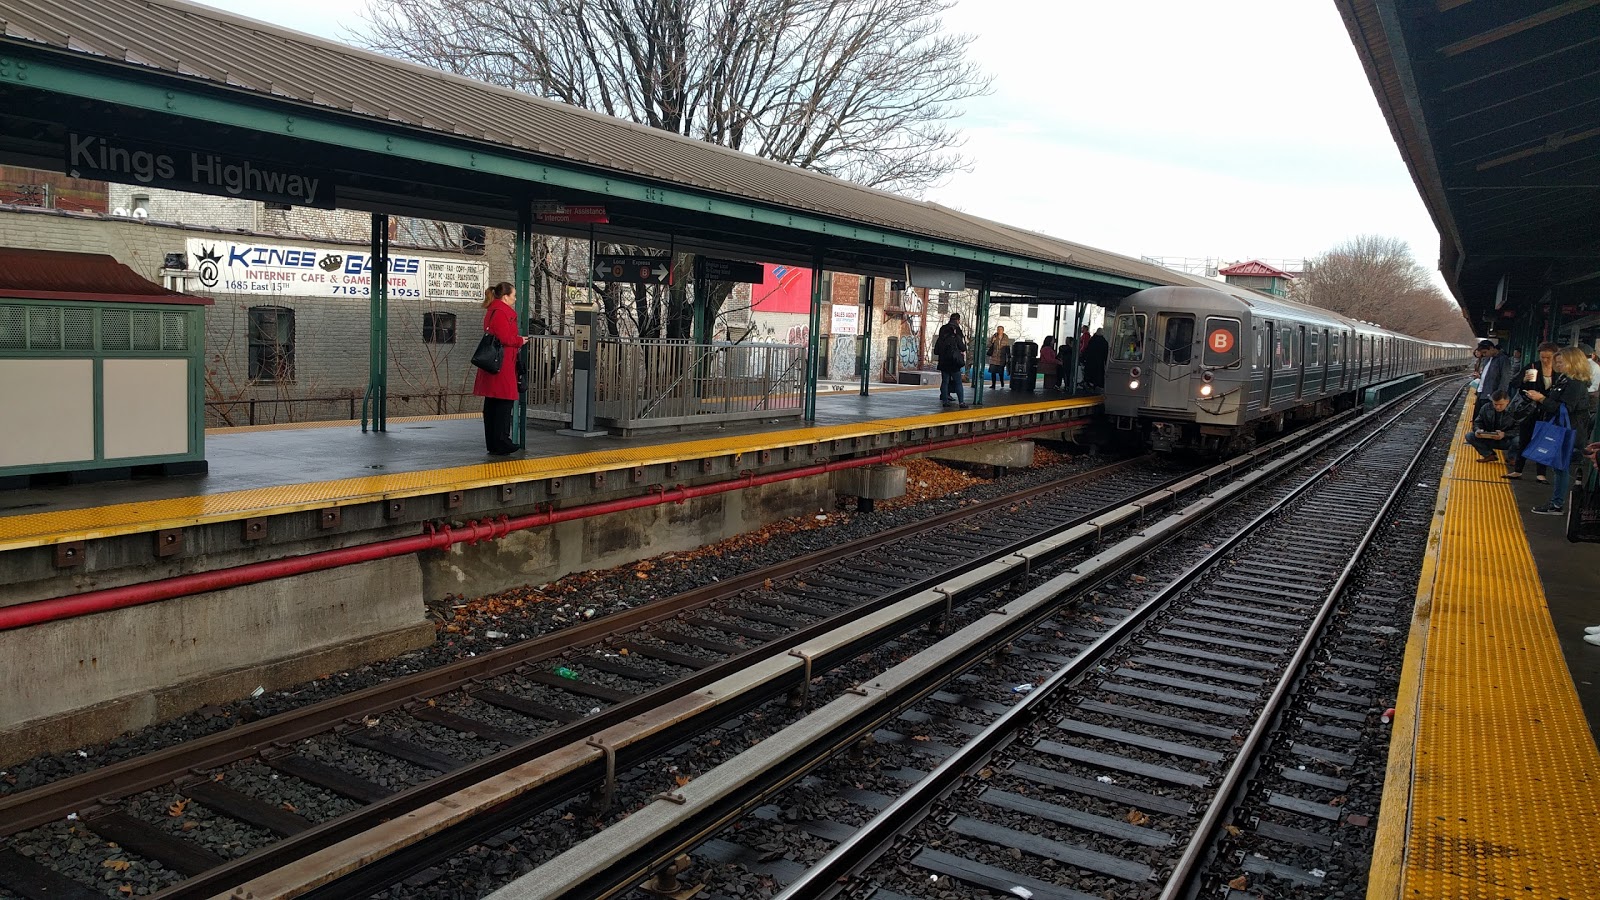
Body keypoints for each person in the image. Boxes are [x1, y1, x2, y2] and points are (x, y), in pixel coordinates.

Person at [1523, 346, 1593, 515]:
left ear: (1573, 362)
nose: (1558, 365)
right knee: (1558, 467)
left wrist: (1542, 399)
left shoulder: (1575, 384)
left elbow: (1566, 408)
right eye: (1558, 362)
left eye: (1562, 362)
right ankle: (1556, 502)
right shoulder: (1565, 379)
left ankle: (1557, 504)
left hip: (1568, 431)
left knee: (1561, 468)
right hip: (1563, 429)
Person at [474, 282, 528, 455]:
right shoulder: (503, 313)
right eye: (514, 295)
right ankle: (502, 442)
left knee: (492, 404)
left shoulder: (492, 311)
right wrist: (520, 341)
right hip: (502, 365)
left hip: (492, 364)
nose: (515, 298)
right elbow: (506, 338)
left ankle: (493, 443)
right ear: (505, 296)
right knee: (504, 404)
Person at [1508, 342, 1559, 482]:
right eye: (1542, 357)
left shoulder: (1559, 371)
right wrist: (1524, 380)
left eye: (1548, 357)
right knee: (1524, 440)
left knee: (1543, 442)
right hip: (1530, 410)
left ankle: (1541, 474)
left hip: (1548, 411)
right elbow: (1514, 383)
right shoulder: (1532, 367)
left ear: (1555, 356)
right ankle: (1518, 470)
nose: (1545, 360)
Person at [1465, 390, 1522, 471]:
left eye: (1501, 404)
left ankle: (1512, 458)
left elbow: (1519, 429)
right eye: (1495, 404)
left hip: (1507, 440)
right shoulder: (1486, 408)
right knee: (1470, 436)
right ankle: (1489, 454)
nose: (1498, 407)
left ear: (1507, 401)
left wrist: (1504, 434)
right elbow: (1478, 422)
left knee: (1518, 440)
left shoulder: (1516, 410)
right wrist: (1478, 430)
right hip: (1490, 437)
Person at [933, 312, 968, 408]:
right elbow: (962, 346)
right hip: (954, 361)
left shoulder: (942, 329)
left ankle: (945, 401)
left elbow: (939, 346)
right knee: (958, 382)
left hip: (943, 361)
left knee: (945, 381)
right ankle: (961, 402)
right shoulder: (957, 330)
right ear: (958, 320)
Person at [1473, 339, 1512, 418]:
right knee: (1478, 417)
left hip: (1492, 395)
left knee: (1488, 418)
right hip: (1481, 393)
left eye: (1485, 352)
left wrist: (1500, 396)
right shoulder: (1487, 359)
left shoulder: (1503, 359)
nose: (1484, 355)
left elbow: (1505, 379)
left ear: (1491, 348)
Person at [987, 325, 1012, 390]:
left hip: (1001, 357)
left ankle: (1002, 382)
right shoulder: (994, 336)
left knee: (1001, 371)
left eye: (1000, 329)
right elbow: (988, 345)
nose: (999, 331)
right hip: (994, 356)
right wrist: (992, 341)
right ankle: (993, 384)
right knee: (993, 371)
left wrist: (1008, 355)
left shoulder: (1006, 337)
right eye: (998, 329)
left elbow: (1007, 347)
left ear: (1003, 330)